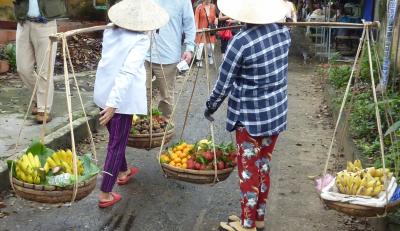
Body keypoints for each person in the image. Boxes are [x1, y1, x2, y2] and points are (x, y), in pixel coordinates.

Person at [203, 0, 291, 230]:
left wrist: (211, 106)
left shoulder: (241, 42)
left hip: (250, 118)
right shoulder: (284, 34)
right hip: (275, 114)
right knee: (263, 166)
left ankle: (248, 224)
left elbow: (223, 84)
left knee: (248, 171)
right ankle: (257, 217)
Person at [93, 0, 169, 208]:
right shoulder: (140, 40)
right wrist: (113, 104)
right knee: (116, 145)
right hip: (119, 100)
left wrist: (108, 102)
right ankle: (105, 193)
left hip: (103, 93)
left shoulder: (110, 31)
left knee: (116, 138)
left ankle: (123, 170)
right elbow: (126, 71)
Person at [13, 0, 66, 123]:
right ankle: (39, 97)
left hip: (46, 23)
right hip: (23, 22)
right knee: (23, 68)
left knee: (45, 69)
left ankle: (44, 108)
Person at [145, 0, 196, 119]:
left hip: (168, 56)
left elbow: (189, 25)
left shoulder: (183, 2)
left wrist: (189, 48)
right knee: (141, 92)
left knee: (166, 97)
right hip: (145, 54)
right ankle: (141, 124)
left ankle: (163, 127)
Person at [194, 0, 218, 67]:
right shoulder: (199, 7)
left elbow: (214, 17)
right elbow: (196, 19)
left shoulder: (213, 7)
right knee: (200, 46)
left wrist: (216, 20)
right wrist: (196, 29)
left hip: (210, 30)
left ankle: (210, 56)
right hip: (201, 30)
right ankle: (199, 59)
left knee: (211, 47)